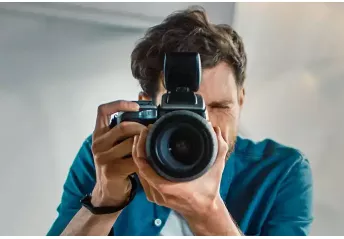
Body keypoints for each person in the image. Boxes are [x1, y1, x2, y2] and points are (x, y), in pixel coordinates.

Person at [47, 6, 313, 236]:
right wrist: (105, 200)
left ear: (240, 101)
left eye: (220, 106)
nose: (205, 124)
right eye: (182, 110)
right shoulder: (111, 154)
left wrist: (208, 214)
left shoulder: (282, 172)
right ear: (146, 104)